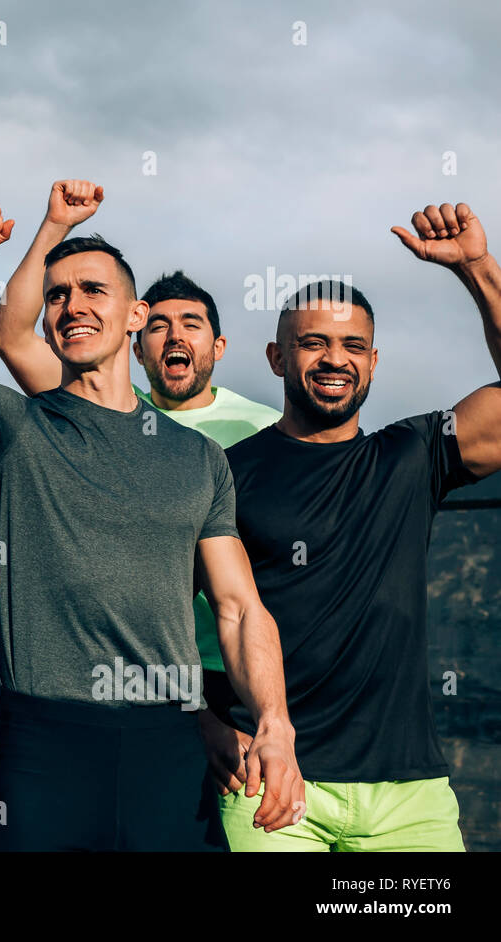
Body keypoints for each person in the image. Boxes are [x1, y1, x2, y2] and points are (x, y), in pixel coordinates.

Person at [0, 193, 305, 851]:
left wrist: (276, 726)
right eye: (56, 295)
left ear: (136, 315)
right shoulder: (10, 425)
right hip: (44, 746)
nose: (73, 306)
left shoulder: (199, 458)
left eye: (94, 290)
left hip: (167, 749)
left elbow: (238, 609)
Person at [210, 202, 501, 850]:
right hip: (271, 782)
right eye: (312, 342)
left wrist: (476, 266)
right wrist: (200, 723)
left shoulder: (413, 455)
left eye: (352, 345)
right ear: (277, 357)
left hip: (410, 795)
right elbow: (155, 611)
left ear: (374, 361)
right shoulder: (227, 474)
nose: (333, 358)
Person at [0, 179, 281, 793]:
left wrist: (270, 710)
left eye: (193, 325)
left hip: (241, 663)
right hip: (149, 675)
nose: (176, 338)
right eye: (162, 327)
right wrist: (53, 227)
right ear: (137, 335)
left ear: (218, 345)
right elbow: (12, 336)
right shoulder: (101, 415)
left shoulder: (262, 428)